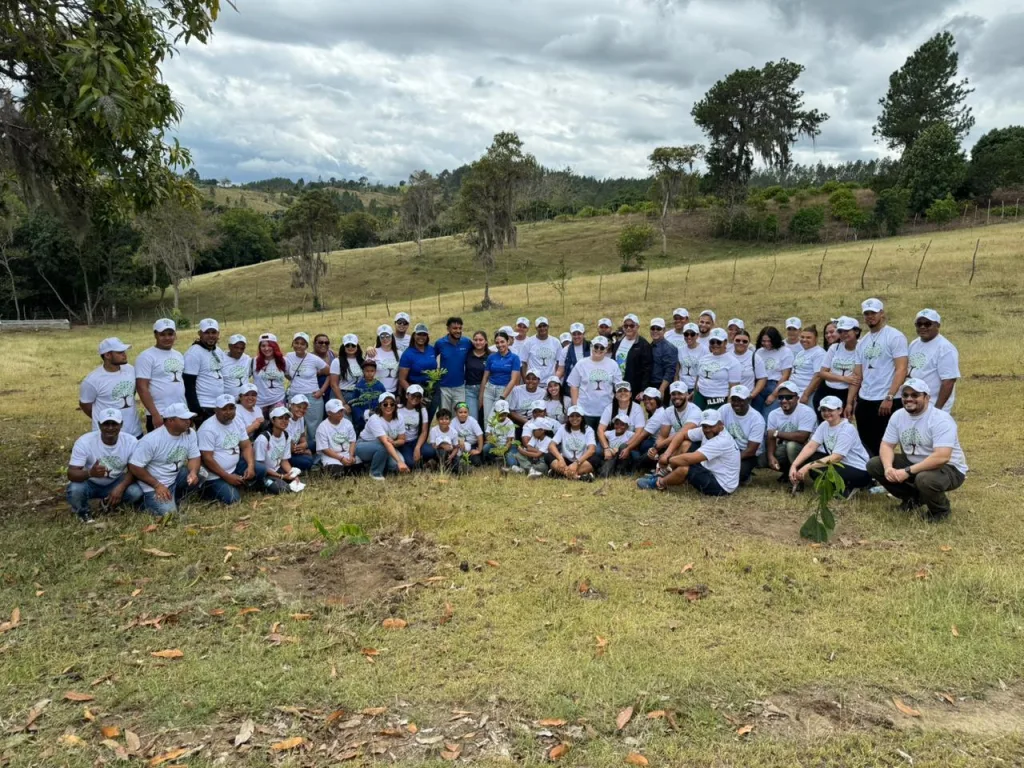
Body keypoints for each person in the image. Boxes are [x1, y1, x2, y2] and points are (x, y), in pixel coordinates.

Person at [866, 378, 968, 521]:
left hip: (949, 468)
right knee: (875, 464)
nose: (909, 399)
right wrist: (888, 468)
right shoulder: (898, 416)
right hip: (914, 462)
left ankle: (940, 511)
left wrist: (907, 471)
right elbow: (887, 445)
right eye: (905, 395)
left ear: (927, 398)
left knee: (924, 479)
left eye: (915, 395)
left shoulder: (940, 419)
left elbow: (942, 457)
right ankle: (913, 499)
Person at [636, 409, 739, 496]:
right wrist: (667, 453)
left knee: (684, 468)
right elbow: (682, 434)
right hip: (710, 469)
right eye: (704, 426)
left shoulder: (721, 441)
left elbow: (687, 459)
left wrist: (666, 459)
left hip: (721, 486)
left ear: (721, 424)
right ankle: (663, 474)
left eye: (711, 426)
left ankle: (659, 483)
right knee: (685, 444)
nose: (707, 429)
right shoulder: (708, 431)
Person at [66, 408, 143, 523]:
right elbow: (71, 474)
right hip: (90, 482)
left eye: (114, 424)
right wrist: (90, 473)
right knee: (75, 489)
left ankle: (109, 505)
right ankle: (83, 512)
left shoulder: (131, 441)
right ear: (99, 425)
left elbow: (135, 470)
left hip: (116, 480)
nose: (110, 428)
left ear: (121, 424)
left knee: (136, 492)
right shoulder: (84, 442)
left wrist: (120, 488)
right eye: (106, 424)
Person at [854, 298, 909, 457]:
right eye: (867, 314)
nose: (870, 316)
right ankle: (872, 470)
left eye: (873, 313)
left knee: (885, 443)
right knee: (866, 443)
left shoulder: (895, 336)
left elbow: (901, 369)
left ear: (882, 313)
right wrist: (852, 400)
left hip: (886, 398)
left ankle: (887, 469)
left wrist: (890, 396)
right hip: (865, 398)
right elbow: (858, 374)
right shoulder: (862, 342)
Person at [790, 396, 873, 497]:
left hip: (859, 470)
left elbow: (836, 457)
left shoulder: (847, 428)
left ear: (840, 410)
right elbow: (811, 446)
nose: (826, 413)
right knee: (814, 464)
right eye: (823, 410)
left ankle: (849, 487)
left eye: (830, 410)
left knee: (817, 468)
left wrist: (807, 467)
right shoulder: (824, 425)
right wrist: (794, 465)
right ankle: (838, 488)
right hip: (841, 464)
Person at [128, 402, 201, 516]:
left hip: (174, 477)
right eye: (184, 419)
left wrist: (193, 472)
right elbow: (134, 466)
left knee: (201, 474)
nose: (188, 421)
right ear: (170, 421)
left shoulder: (190, 433)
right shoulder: (151, 440)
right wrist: (157, 485)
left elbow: (194, 456)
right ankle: (144, 503)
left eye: (189, 418)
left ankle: (174, 497)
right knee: (170, 515)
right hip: (154, 484)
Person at [197, 394, 259, 505]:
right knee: (234, 499)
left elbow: (246, 446)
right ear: (216, 410)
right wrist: (227, 476)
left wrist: (250, 466)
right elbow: (207, 459)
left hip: (234, 467)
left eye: (231, 408)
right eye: (224, 409)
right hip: (214, 475)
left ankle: (238, 482)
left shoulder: (237, 421)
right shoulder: (207, 429)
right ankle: (207, 490)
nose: (228, 412)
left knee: (261, 469)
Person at [79, 337, 141, 437]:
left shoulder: (130, 370)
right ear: (107, 355)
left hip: (134, 432)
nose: (124, 355)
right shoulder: (92, 380)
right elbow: (85, 404)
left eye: (124, 351)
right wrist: (105, 421)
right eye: (120, 352)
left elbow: (132, 393)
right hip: (108, 436)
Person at [135, 318, 186, 432]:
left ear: (175, 335)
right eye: (162, 334)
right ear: (155, 335)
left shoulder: (178, 355)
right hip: (160, 413)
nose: (167, 338)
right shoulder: (146, 356)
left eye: (170, 334)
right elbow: (142, 387)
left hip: (180, 411)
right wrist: (155, 414)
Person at [763, 381, 818, 481]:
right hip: (785, 448)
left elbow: (802, 437)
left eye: (789, 397)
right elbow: (770, 437)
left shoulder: (807, 412)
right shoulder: (773, 414)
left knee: (791, 446)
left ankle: (798, 479)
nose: (784, 400)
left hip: (808, 451)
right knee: (763, 459)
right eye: (781, 397)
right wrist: (770, 456)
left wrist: (776, 433)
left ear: (797, 398)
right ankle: (788, 472)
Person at [908, 309, 960, 413]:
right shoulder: (914, 344)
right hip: (914, 404)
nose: (923, 327)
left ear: (938, 325)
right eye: (919, 324)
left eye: (927, 324)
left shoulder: (945, 348)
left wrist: (937, 410)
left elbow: (948, 381)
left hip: (933, 405)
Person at [567, 335, 623, 431]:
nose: (598, 350)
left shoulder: (613, 364)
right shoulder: (581, 364)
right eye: (596, 346)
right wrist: (576, 407)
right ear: (591, 346)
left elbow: (619, 387)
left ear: (606, 349)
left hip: (606, 411)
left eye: (602, 348)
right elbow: (574, 386)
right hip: (585, 411)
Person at [645, 381, 704, 471]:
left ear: (687, 395)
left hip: (694, 444)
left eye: (680, 393)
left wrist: (661, 448)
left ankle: (664, 469)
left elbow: (682, 433)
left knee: (684, 444)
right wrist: (656, 449)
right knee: (647, 450)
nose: (676, 397)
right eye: (673, 394)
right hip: (675, 443)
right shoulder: (668, 411)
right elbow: (662, 436)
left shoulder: (695, 411)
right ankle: (658, 467)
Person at [286, 332, 330, 449]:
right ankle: (294, 450)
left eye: (302, 344)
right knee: (293, 424)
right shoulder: (288, 357)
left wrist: (321, 391)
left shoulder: (314, 359)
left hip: (312, 396)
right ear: (292, 344)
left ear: (307, 346)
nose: (299, 346)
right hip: (294, 395)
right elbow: (286, 373)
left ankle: (316, 452)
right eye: (296, 343)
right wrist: (296, 382)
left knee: (313, 427)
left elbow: (330, 373)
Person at [356, 392, 411, 480]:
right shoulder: (374, 419)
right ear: (380, 405)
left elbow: (402, 439)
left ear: (395, 405)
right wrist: (399, 461)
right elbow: (386, 443)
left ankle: (371, 464)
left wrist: (394, 443)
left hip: (386, 446)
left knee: (395, 466)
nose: (389, 406)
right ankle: (375, 473)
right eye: (385, 404)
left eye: (392, 404)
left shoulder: (399, 417)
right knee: (384, 449)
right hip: (364, 445)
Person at [814, 316, 862, 415]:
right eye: (840, 331)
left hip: (845, 393)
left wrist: (849, 403)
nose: (843, 334)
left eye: (846, 331)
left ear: (856, 331)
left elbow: (856, 380)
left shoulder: (862, 349)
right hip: (826, 391)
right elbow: (822, 373)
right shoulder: (834, 348)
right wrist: (845, 379)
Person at [720, 385, 766, 484]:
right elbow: (714, 427)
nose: (736, 403)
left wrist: (730, 460)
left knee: (738, 472)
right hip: (729, 448)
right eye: (734, 400)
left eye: (740, 400)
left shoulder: (757, 419)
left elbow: (751, 450)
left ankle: (746, 475)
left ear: (748, 400)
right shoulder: (725, 409)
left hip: (748, 453)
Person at [183, 318, 225, 426]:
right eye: (207, 332)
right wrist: (196, 410)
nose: (211, 336)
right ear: (200, 333)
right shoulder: (194, 353)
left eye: (214, 332)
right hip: (204, 406)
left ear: (218, 333)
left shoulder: (218, 351)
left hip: (218, 405)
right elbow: (188, 384)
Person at [253, 406, 299, 494]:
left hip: (277, 469)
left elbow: (284, 461)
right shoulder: (263, 439)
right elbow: (260, 467)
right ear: (273, 420)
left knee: (294, 482)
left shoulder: (286, 436)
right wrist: (281, 476)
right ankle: (260, 485)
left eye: (286, 418)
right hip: (265, 473)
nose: (284, 421)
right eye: (280, 418)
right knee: (283, 489)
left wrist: (293, 474)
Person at [693, 328, 741, 410]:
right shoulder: (704, 358)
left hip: (718, 398)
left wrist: (728, 408)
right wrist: (694, 395)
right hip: (700, 396)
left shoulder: (733, 362)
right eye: (712, 342)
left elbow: (733, 388)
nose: (715, 345)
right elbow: (698, 378)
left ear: (725, 342)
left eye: (718, 342)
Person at [398, 323, 439, 417]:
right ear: (414, 335)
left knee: (429, 417)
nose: (421, 337)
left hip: (432, 389)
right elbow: (402, 379)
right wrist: (413, 393)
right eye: (419, 334)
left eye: (424, 335)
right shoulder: (408, 354)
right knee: (418, 418)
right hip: (415, 389)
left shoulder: (431, 349)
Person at [481, 330, 521, 424]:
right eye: (497, 343)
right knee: (487, 419)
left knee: (495, 418)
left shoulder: (514, 358)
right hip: (489, 390)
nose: (500, 345)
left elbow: (513, 379)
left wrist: (503, 396)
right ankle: (488, 434)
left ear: (508, 342)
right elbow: (485, 377)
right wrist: (481, 395)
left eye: (502, 342)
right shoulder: (491, 357)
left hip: (504, 390)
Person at [549, 406, 598, 482]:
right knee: (548, 456)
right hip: (565, 460)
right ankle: (579, 477)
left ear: (582, 418)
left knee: (596, 459)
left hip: (581, 461)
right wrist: (561, 459)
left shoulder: (588, 429)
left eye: (577, 416)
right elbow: (551, 445)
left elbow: (592, 449)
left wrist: (576, 463)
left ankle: (561, 474)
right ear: (568, 418)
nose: (574, 418)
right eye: (572, 416)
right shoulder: (562, 428)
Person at [611, 313, 653, 402]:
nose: (628, 328)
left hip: (633, 388)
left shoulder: (643, 345)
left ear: (637, 327)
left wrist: (643, 389)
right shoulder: (618, 342)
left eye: (632, 325)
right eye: (626, 326)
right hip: (616, 385)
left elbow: (647, 369)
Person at [434, 316, 473, 412]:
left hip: (460, 386)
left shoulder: (467, 342)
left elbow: (479, 351)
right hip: (444, 387)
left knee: (459, 415)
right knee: (445, 415)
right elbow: (431, 358)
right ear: (448, 329)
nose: (458, 331)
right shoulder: (440, 343)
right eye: (455, 328)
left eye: (460, 328)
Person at [752, 326, 793, 416]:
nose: (767, 344)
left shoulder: (785, 351)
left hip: (775, 386)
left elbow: (785, 375)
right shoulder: (758, 352)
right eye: (764, 341)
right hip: (759, 386)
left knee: (768, 416)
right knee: (755, 415)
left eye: (769, 341)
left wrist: (774, 395)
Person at [316, 399, 360, 477]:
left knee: (359, 470)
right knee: (336, 473)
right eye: (337, 411)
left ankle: (346, 468)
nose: (340, 413)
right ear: (329, 413)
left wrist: (351, 455)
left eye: (341, 410)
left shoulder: (347, 423)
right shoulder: (322, 427)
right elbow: (325, 449)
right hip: (331, 456)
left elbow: (352, 441)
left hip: (347, 454)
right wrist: (341, 459)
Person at [398, 384, 437, 469]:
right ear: (407, 395)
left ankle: (422, 461)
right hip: (403, 442)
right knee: (410, 463)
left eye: (418, 396)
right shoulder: (398, 409)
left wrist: (417, 447)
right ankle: (424, 465)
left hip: (415, 440)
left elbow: (424, 431)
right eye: (413, 395)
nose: (415, 398)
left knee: (430, 451)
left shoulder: (422, 411)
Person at [252, 334, 288, 416]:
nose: (266, 348)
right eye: (263, 346)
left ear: (275, 346)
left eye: (269, 345)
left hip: (278, 401)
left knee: (278, 423)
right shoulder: (253, 361)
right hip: (260, 403)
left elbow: (291, 376)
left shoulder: (283, 361)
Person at [791, 325, 827, 405]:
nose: (804, 340)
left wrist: (806, 394)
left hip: (805, 392)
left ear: (816, 339)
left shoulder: (819, 353)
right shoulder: (801, 352)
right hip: (793, 391)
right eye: (802, 337)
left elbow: (818, 376)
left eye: (808, 337)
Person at [348, 359, 386, 434]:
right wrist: (361, 415)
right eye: (367, 371)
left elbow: (384, 400)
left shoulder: (380, 385)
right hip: (362, 420)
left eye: (372, 371)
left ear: (375, 372)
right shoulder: (359, 386)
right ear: (363, 371)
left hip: (377, 418)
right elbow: (354, 403)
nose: (369, 373)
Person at [519, 317, 561, 382]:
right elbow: (523, 363)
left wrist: (555, 379)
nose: (542, 328)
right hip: (533, 383)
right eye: (540, 326)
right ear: (536, 328)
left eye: (544, 326)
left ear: (548, 327)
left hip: (550, 383)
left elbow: (559, 362)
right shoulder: (528, 342)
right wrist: (526, 381)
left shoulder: (556, 342)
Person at [731, 328, 767, 404]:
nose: (741, 343)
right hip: (727, 396)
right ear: (733, 340)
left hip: (745, 399)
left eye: (744, 341)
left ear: (749, 343)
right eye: (737, 340)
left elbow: (762, 378)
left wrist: (752, 395)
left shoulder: (755, 357)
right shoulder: (726, 356)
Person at [330, 333, 364, 405]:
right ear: (343, 347)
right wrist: (343, 403)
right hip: (342, 394)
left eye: (353, 345)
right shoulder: (337, 361)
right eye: (347, 345)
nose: (350, 347)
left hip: (357, 395)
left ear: (357, 346)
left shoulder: (362, 361)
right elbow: (334, 384)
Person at [648, 317, 678, 402]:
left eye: (658, 328)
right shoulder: (649, 346)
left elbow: (670, 371)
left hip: (662, 386)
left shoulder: (669, 348)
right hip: (651, 385)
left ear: (664, 330)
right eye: (653, 328)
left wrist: (662, 389)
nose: (655, 331)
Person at [482, 399, 518, 468]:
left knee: (512, 463)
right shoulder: (492, 421)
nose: (503, 415)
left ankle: (505, 459)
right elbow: (487, 434)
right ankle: (493, 460)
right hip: (495, 445)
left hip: (508, 446)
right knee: (486, 448)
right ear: (495, 411)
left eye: (505, 413)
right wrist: (492, 440)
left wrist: (503, 450)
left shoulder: (510, 423)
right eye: (501, 413)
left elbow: (509, 441)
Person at [284, 394, 316, 472]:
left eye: (304, 408)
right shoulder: (286, 420)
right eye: (298, 407)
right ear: (291, 405)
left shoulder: (301, 418)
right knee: (308, 462)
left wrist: (305, 445)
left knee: (315, 444)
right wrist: (304, 451)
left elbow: (302, 435)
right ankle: (286, 466)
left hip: (295, 447)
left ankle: (303, 458)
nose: (301, 410)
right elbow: (290, 447)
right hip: (286, 451)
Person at [464, 331, 490, 424]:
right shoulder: (467, 354)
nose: (478, 342)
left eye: (481, 340)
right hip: (470, 390)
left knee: (487, 418)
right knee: (473, 419)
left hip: (487, 390)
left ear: (486, 341)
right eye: (475, 340)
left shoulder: (490, 356)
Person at [600, 413, 637, 477]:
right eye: (617, 424)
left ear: (627, 426)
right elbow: (601, 436)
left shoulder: (629, 434)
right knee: (604, 474)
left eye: (622, 424)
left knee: (623, 446)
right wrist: (608, 449)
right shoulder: (610, 433)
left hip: (623, 457)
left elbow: (638, 438)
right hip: (612, 457)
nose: (619, 426)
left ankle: (621, 471)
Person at [369, 325, 400, 394]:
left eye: (387, 336)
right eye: (382, 337)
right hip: (376, 391)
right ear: (379, 338)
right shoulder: (373, 352)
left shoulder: (399, 353)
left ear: (392, 337)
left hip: (393, 392)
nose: (385, 339)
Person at [676, 322, 704, 393]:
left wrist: (695, 391)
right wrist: (677, 386)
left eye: (692, 334)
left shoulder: (705, 351)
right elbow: (677, 371)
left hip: (697, 388)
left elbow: (702, 374)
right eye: (686, 334)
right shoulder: (680, 349)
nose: (689, 337)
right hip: (681, 387)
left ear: (697, 335)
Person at [223, 334, 252, 402]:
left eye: (242, 348)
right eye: (236, 347)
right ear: (229, 346)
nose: (239, 351)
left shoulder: (247, 359)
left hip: (244, 401)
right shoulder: (221, 359)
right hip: (227, 402)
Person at [311, 333, 337, 403]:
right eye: (320, 342)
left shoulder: (332, 354)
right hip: (316, 390)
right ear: (314, 344)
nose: (324, 344)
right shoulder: (309, 357)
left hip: (332, 389)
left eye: (326, 343)